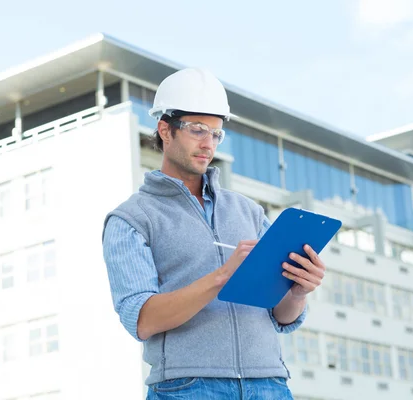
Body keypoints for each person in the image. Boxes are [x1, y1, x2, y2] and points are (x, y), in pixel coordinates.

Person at [102, 67, 326, 399]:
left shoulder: (248, 211)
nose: (209, 144)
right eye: (197, 130)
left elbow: (281, 316)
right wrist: (221, 277)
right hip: (189, 388)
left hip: (269, 385)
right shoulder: (131, 219)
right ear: (165, 129)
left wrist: (297, 292)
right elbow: (142, 320)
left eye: (217, 134)